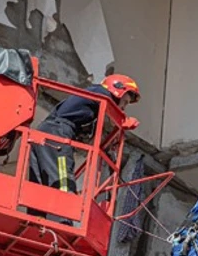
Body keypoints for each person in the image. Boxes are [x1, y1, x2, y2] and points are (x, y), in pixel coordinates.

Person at [29, 74, 141, 204]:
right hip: (58, 134)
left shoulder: (91, 100)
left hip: (46, 132)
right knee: (64, 183)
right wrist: (123, 120)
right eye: (125, 102)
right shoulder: (101, 93)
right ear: (118, 90)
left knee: (41, 182)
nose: (124, 107)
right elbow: (112, 112)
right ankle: (64, 214)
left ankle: (37, 215)